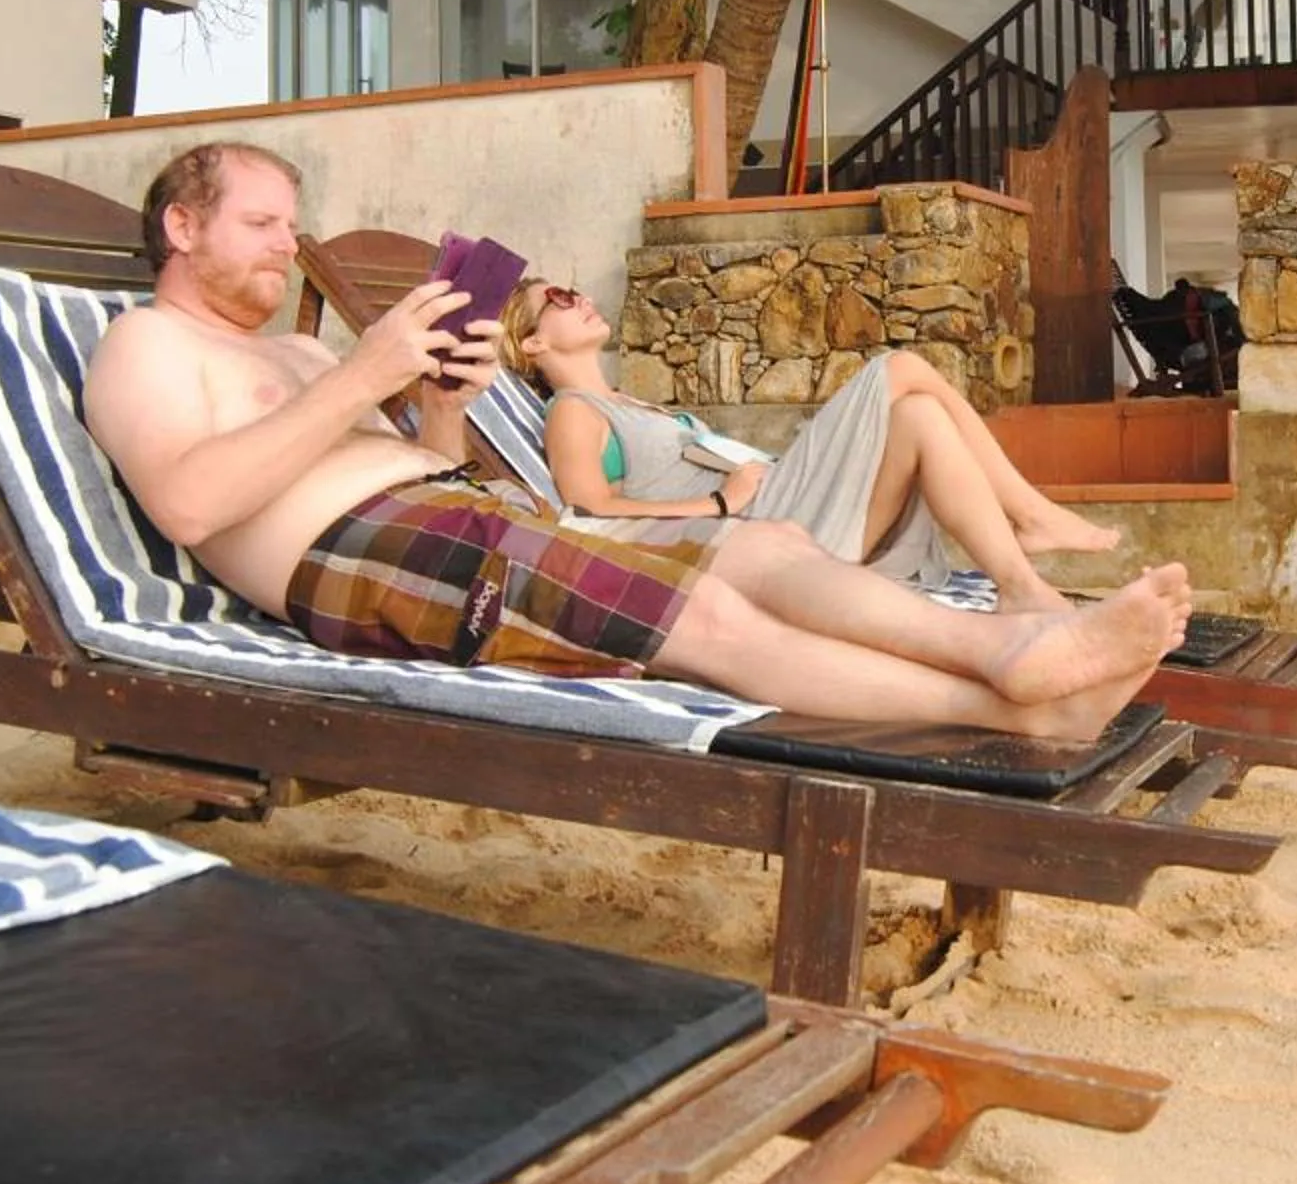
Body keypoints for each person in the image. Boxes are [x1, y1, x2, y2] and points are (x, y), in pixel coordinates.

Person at [81, 142, 1188, 742]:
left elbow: (423, 457)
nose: (288, 242)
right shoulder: (145, 345)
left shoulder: (307, 359)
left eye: (289, 219)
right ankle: (1008, 682)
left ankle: (1027, 663)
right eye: (262, 223)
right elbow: (188, 502)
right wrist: (365, 374)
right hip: (354, 554)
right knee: (699, 618)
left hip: (454, 519)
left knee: (763, 552)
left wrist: (440, 401)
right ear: (182, 228)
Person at [497, 276, 1118, 612]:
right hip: (765, 528)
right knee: (898, 369)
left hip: (792, 511)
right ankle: (1029, 513)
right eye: (556, 298)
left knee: (922, 415)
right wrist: (718, 504)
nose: (578, 298)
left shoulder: (631, 401)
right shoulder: (573, 411)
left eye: (575, 289)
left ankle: (1016, 583)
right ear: (532, 345)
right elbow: (587, 511)